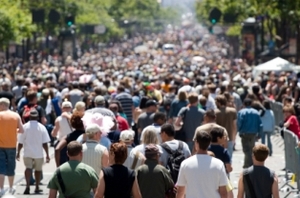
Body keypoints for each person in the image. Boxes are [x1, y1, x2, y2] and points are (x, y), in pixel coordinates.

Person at [176, 130, 228, 198]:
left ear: (196, 143)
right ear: (209, 143)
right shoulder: (219, 164)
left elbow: (180, 191)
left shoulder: (185, 164)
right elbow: (223, 192)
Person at [17, 109, 50, 194]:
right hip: (38, 153)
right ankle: (37, 187)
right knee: (38, 170)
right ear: (38, 117)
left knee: (28, 168)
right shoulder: (42, 127)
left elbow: (20, 142)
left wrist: (18, 153)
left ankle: (27, 186)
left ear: (29, 117)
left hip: (27, 152)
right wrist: (47, 154)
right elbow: (45, 143)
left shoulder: (25, 126)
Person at [0, 98, 24, 196]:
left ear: (2, 105)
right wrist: (14, 131)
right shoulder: (16, 115)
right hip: (12, 145)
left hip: (0, 145)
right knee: (11, 166)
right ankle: (10, 187)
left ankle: (1, 188)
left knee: (1, 167)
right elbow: (22, 130)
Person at [237, 98, 263, 168]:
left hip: (244, 133)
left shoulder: (241, 112)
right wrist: (260, 133)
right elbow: (260, 124)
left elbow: (239, 123)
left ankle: (248, 164)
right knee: (252, 149)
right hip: (253, 133)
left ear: (244, 104)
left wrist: (239, 130)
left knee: (246, 149)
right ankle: (250, 163)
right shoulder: (256, 112)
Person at [215, 95, 237, 159]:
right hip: (229, 137)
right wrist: (234, 137)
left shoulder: (215, 112)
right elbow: (234, 126)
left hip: (218, 138)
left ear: (219, 102)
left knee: (218, 157)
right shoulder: (232, 111)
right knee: (229, 157)